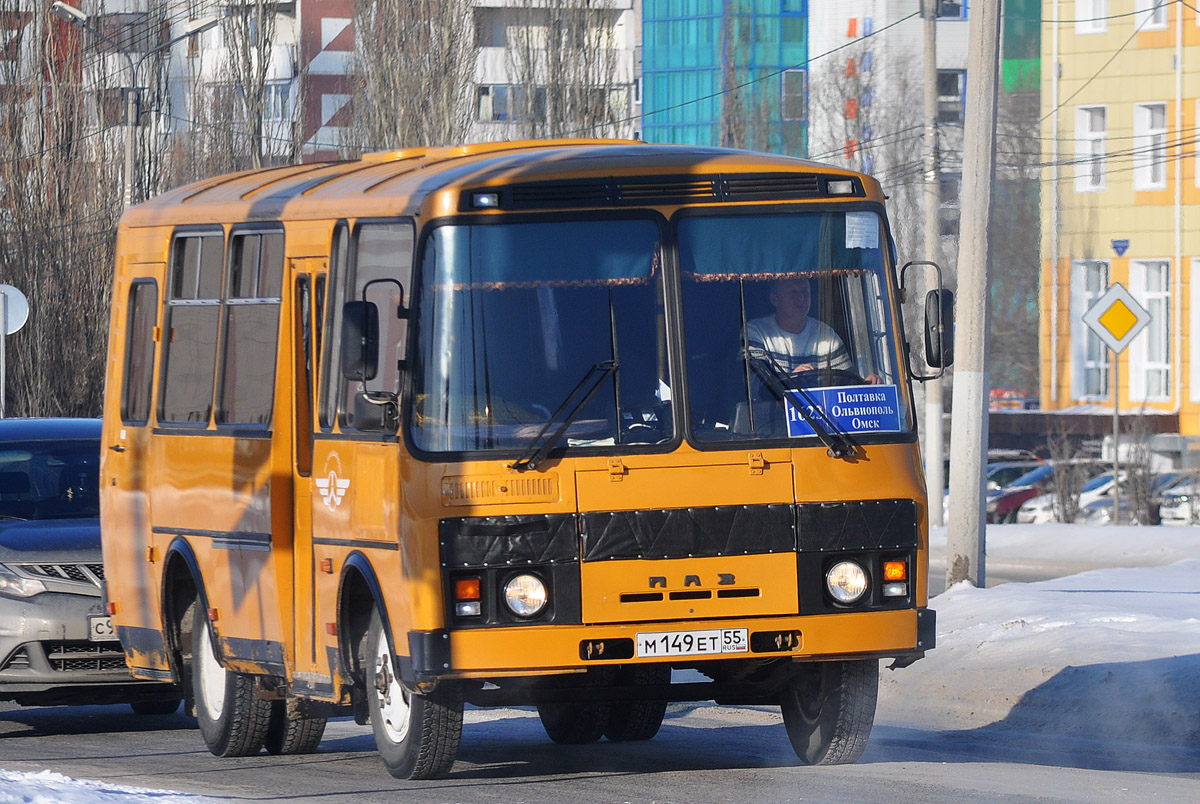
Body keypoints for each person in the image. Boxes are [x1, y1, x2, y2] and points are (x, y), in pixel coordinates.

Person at [745, 278, 879, 384]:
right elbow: (755, 385)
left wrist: (866, 383)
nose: (801, 298)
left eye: (805, 292)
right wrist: (793, 379)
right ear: (774, 299)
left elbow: (848, 380)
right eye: (793, 292)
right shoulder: (755, 333)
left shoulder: (826, 335)